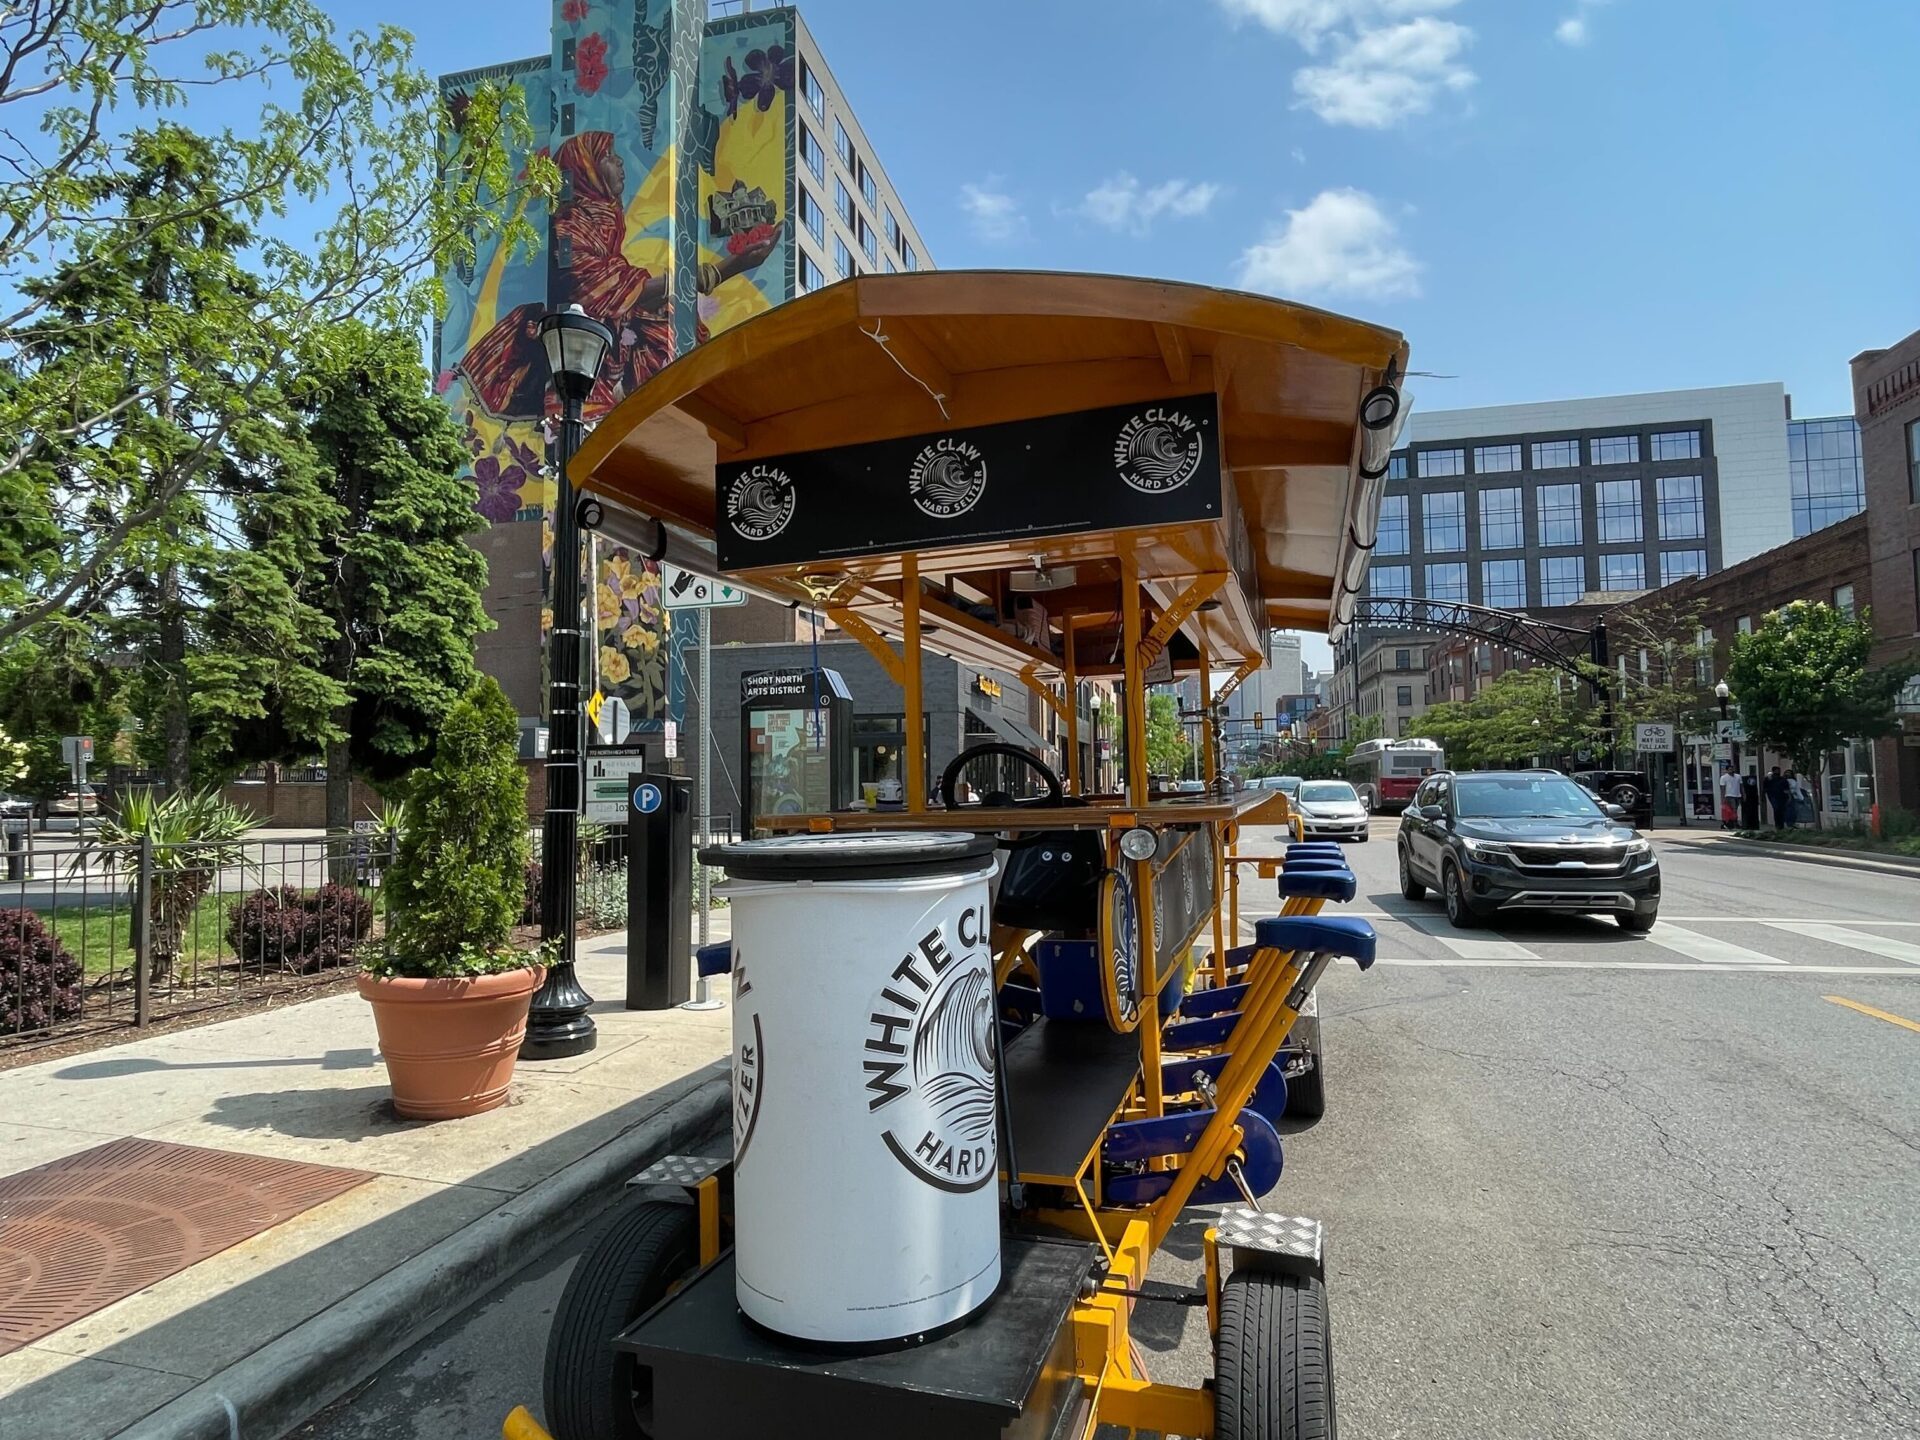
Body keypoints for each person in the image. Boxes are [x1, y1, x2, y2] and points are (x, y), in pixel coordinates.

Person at [1764, 765, 1791, 830]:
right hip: (1773, 796)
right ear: (1773, 771)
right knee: (1776, 809)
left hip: (1782, 797)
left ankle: (1780, 825)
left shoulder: (1782, 779)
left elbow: (1786, 789)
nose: (1778, 772)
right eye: (1776, 771)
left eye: (1778, 770)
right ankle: (1778, 825)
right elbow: (1765, 788)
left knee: (1781, 811)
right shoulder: (1769, 779)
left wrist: (1789, 797)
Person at [1718, 762, 1741, 829]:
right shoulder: (1723, 777)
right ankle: (1734, 822)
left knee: (1735, 809)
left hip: (1737, 795)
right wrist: (1723, 798)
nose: (1731, 770)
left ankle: (1728, 822)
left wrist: (1743, 794)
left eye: (1732, 769)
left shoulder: (1738, 776)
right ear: (1727, 770)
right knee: (1733, 809)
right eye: (1730, 769)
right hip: (1729, 796)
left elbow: (1741, 786)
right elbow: (1722, 788)